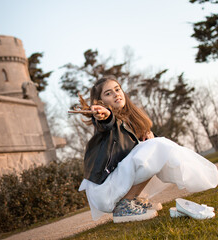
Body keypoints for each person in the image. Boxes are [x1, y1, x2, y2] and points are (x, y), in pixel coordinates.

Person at [77, 75, 218, 223]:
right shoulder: (107, 123)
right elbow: (106, 122)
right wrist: (105, 115)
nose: (116, 94)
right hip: (104, 188)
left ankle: (132, 200)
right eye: (108, 93)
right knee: (156, 149)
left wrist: (150, 139)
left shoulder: (128, 121)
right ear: (101, 102)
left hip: (114, 182)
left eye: (117, 89)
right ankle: (124, 207)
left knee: (158, 148)